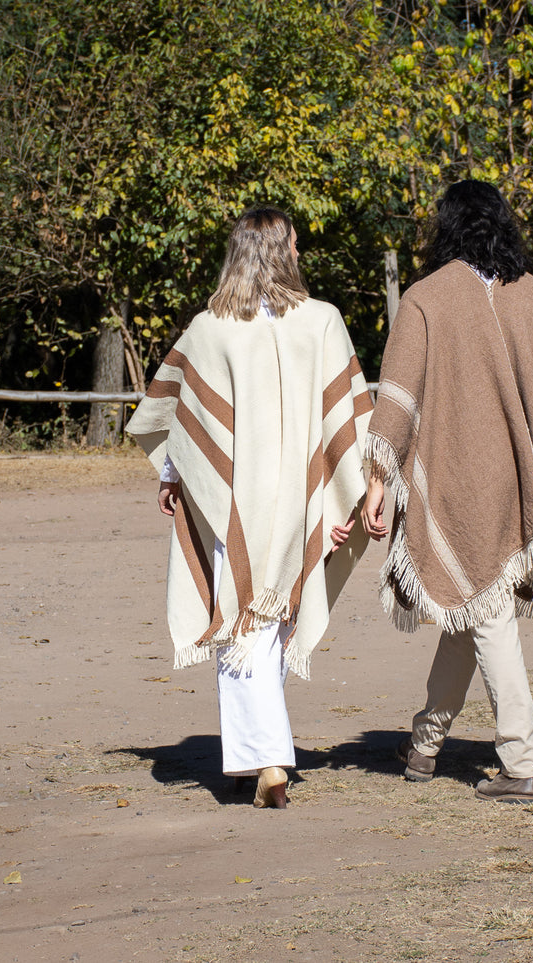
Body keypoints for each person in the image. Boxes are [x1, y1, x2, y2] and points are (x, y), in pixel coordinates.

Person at [361, 180, 533, 803]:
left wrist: (377, 481)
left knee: (489, 610)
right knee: (473, 600)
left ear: (445, 229)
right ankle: (424, 744)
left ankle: (520, 760)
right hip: (522, 478)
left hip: (457, 478)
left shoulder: (424, 299)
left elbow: (396, 399)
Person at [127, 207, 372, 809]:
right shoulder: (323, 320)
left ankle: (266, 759)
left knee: (243, 617)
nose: (299, 247)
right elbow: (351, 422)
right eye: (294, 240)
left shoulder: (210, 326)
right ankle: (255, 756)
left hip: (235, 496)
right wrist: (356, 490)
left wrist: (172, 475)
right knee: (270, 620)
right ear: (279, 250)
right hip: (303, 495)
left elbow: (180, 421)